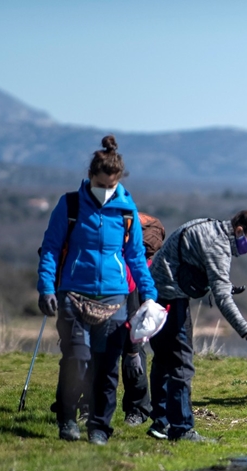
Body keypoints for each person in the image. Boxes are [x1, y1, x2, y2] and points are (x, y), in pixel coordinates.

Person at [37, 135, 158, 445]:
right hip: (73, 293)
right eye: (101, 184)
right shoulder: (71, 204)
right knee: (77, 359)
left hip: (114, 297)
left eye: (112, 186)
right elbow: (51, 248)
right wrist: (46, 287)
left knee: (106, 368)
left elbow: (134, 256)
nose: (106, 191)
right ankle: (66, 418)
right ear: (91, 177)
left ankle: (100, 428)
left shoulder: (126, 209)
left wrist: (148, 292)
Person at [146, 205, 247, 441]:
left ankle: (160, 422)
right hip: (170, 296)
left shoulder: (211, 226)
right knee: (182, 363)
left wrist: (217, 284)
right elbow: (223, 298)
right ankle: (182, 428)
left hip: (156, 291)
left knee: (163, 359)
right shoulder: (218, 246)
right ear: (239, 229)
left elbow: (198, 266)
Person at [119, 212, 166, 427]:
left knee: (134, 347)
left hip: (133, 283)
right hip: (109, 284)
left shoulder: (126, 215)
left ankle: (137, 408)